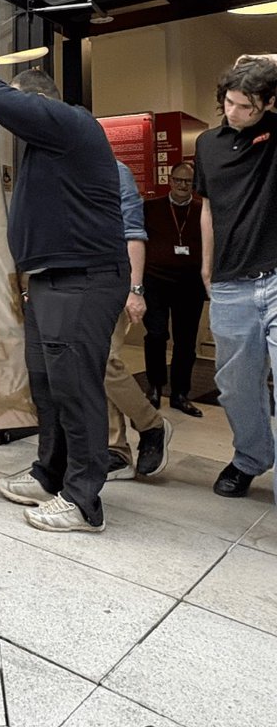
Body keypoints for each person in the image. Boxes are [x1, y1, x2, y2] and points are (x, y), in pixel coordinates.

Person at [0, 47, 128, 533]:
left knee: (75, 388)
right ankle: (49, 474)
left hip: (84, 278)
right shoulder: (49, 146)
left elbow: (5, 103)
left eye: (23, 109)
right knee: (49, 385)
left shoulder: (73, 123)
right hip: (52, 279)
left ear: (40, 105)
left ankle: (83, 501)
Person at [194, 58, 277, 500]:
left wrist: (270, 63)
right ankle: (251, 458)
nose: (235, 112)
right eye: (229, 102)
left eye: (247, 106)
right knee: (235, 386)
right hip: (230, 281)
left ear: (267, 103)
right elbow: (208, 208)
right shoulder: (207, 144)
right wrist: (207, 265)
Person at [104, 160, 173, 481]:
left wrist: (135, 290)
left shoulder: (115, 170)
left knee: (104, 360)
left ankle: (151, 424)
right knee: (92, 367)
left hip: (112, 280)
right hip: (75, 281)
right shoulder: (61, 167)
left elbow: (133, 233)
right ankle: (115, 449)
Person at [142, 161, 207, 415]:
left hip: (189, 283)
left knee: (186, 341)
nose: (182, 186)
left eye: (188, 182)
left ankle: (180, 393)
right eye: (178, 180)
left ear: (194, 184)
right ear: (170, 180)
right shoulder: (150, 208)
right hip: (156, 280)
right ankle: (155, 387)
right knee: (156, 334)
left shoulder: (202, 210)